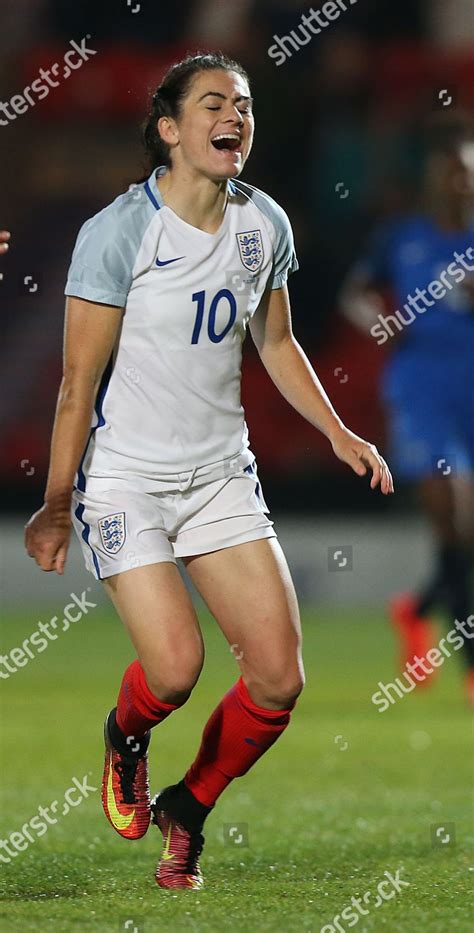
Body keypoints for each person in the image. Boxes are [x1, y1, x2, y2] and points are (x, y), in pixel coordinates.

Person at [25, 52, 393, 891]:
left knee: (277, 677)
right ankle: (126, 736)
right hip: (128, 480)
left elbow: (275, 341)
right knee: (176, 672)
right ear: (169, 129)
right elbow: (79, 381)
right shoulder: (120, 231)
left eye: (246, 105)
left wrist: (336, 432)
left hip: (220, 475)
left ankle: (187, 807)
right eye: (216, 103)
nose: (236, 116)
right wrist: (55, 501)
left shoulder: (266, 223)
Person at [340, 133, 474, 702]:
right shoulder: (404, 236)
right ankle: (471, 665)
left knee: (466, 536)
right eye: (452, 171)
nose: (460, 182)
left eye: (468, 172)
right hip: (421, 390)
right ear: (433, 179)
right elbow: (356, 292)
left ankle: (416, 609)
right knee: (455, 514)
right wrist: (379, 318)